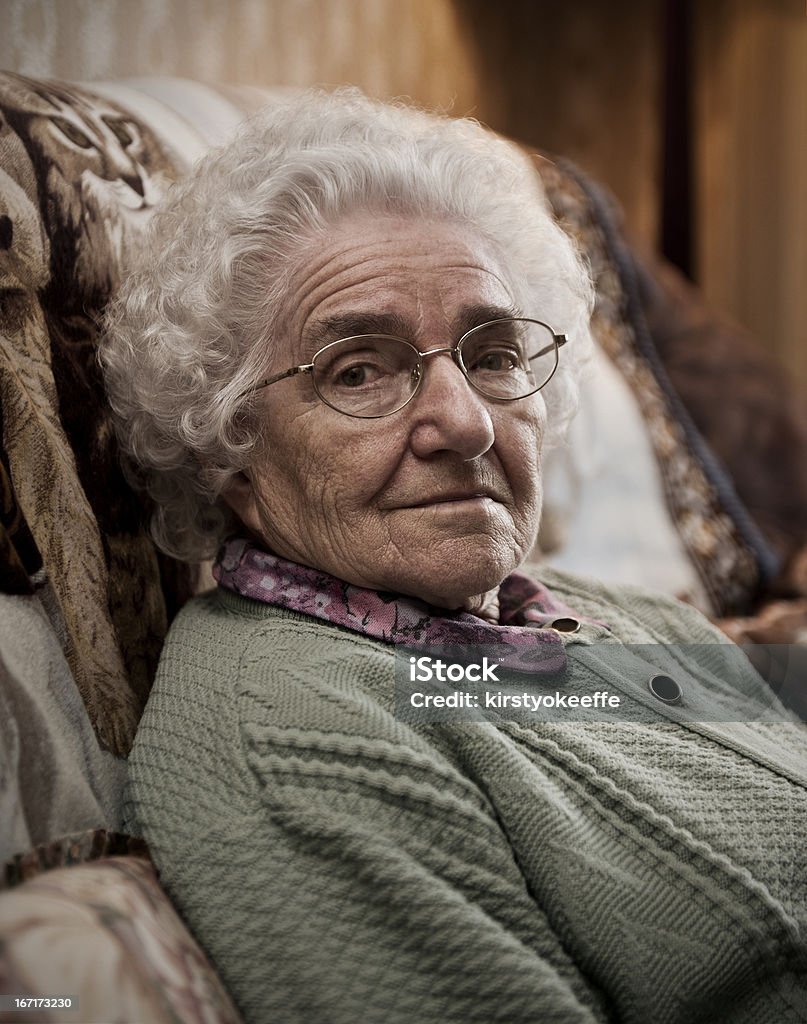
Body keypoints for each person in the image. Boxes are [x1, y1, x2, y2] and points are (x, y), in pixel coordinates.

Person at [101, 89, 807, 1024]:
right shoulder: (291, 731)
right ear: (230, 452)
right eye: (359, 368)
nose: (467, 422)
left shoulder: (605, 617)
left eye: (493, 351)